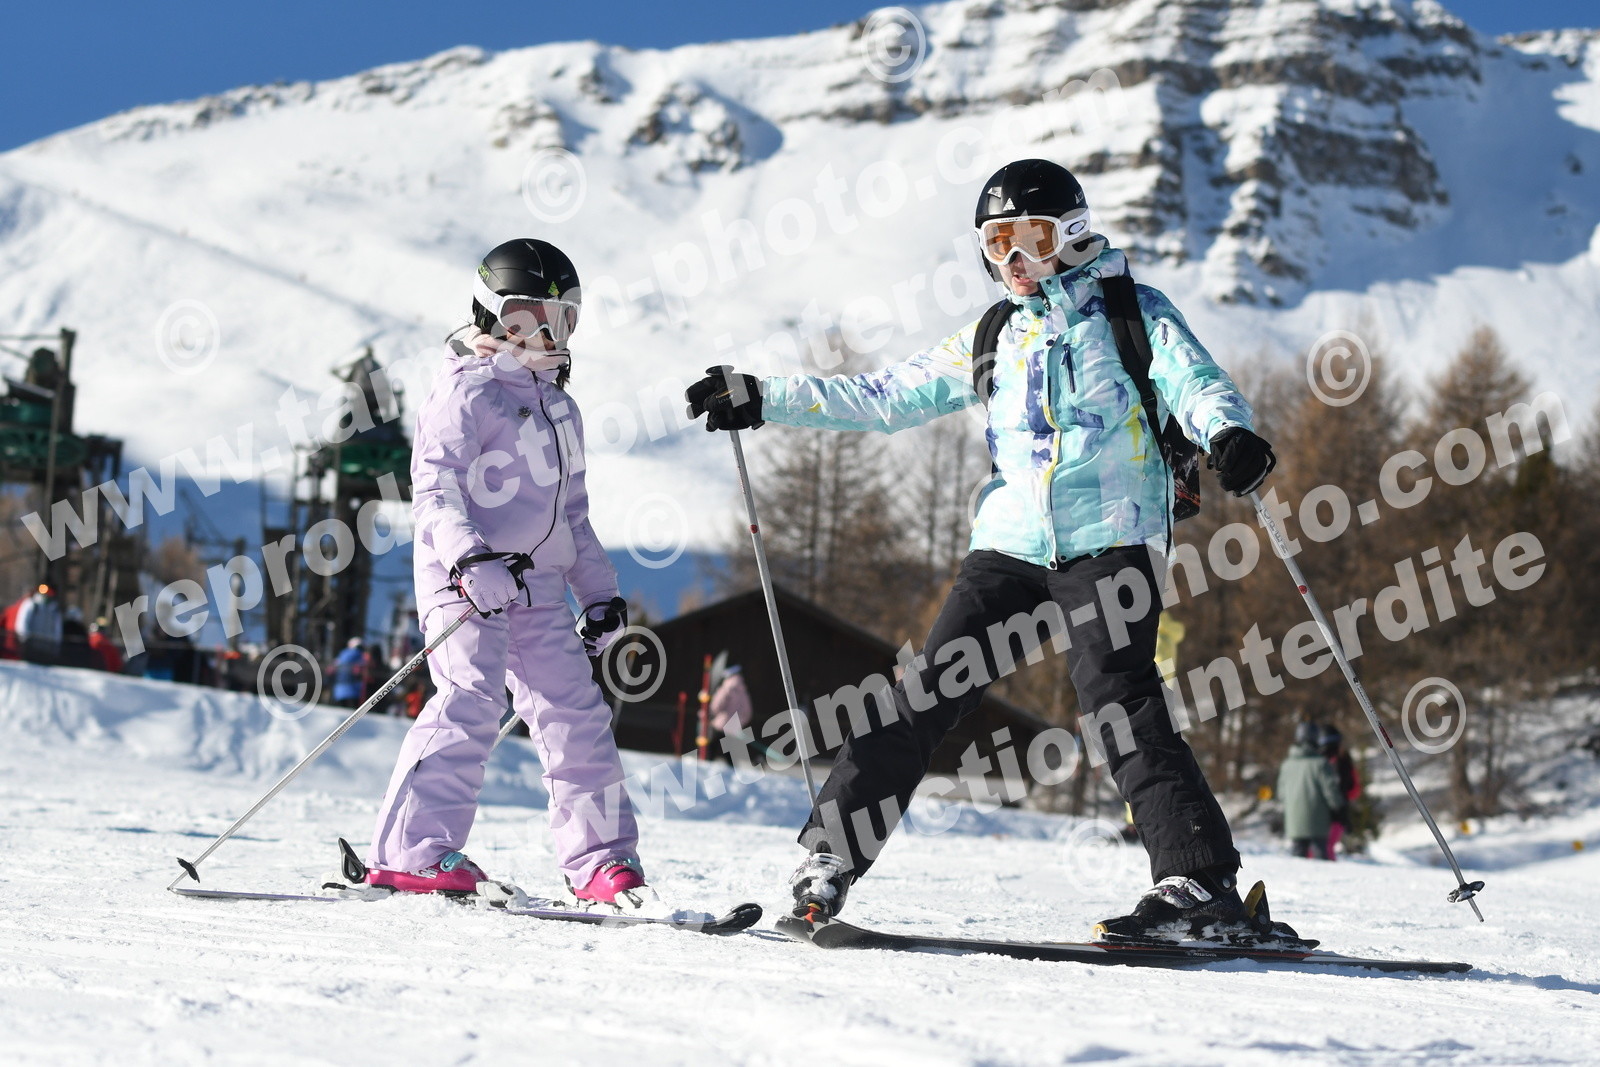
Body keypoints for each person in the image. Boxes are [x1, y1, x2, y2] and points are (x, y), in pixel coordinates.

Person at [687, 158, 1285, 943]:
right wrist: (764, 395)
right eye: (998, 241)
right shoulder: (994, 334)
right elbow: (884, 397)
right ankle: (830, 856)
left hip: (1111, 536)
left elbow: (1193, 380)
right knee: (926, 691)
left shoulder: (1130, 313)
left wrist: (1230, 433)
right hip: (1009, 543)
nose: (1016, 258)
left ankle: (1199, 881)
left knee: (1117, 700)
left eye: (1033, 237)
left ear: (1072, 234)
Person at [366, 238, 648, 910]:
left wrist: (600, 594)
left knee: (575, 713)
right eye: (530, 315)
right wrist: (469, 558)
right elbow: (435, 489)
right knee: (470, 696)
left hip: (539, 586)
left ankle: (601, 862)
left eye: (562, 318)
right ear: (493, 312)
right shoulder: (467, 391)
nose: (547, 332)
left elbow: (572, 516)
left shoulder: (561, 410)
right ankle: (411, 852)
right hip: (464, 579)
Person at [1277, 722, 1344, 860]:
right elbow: (1331, 791)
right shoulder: (1321, 764)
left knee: (1298, 860)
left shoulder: (1287, 765)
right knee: (1320, 860)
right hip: (1318, 822)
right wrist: (1339, 807)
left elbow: (1281, 794)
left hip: (1294, 821)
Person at [1320, 724, 1361, 859]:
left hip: (1318, 814)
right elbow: (1354, 790)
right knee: (1327, 849)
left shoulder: (1316, 762)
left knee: (1319, 850)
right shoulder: (1345, 762)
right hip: (1337, 815)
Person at [708, 664, 754, 759]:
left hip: (723, 722)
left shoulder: (727, 686)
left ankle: (708, 760)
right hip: (735, 724)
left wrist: (712, 712)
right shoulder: (743, 689)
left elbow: (717, 704)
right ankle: (730, 764)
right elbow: (747, 711)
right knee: (728, 748)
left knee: (713, 745)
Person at [10, 584, 64, 665]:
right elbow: (22, 622)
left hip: (47, 648)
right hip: (31, 646)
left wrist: (56, 644)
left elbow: (57, 629)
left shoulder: (54, 609)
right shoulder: (31, 604)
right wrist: (25, 639)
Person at [331, 638, 367, 707]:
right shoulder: (360, 655)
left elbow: (334, 667)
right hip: (354, 690)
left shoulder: (342, 654)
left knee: (340, 708)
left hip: (339, 689)